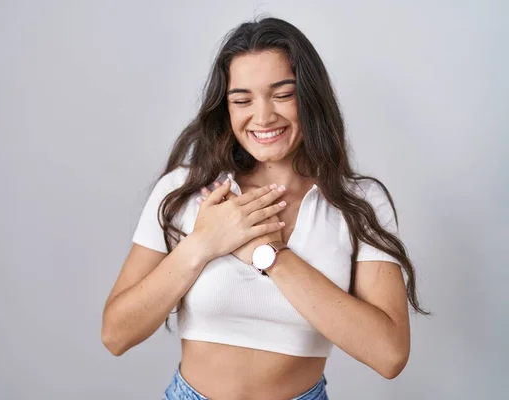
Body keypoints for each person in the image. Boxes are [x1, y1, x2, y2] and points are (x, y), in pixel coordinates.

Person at [101, 16, 428, 400]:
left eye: (282, 94)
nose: (263, 116)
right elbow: (116, 335)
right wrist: (203, 243)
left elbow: (389, 355)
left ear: (310, 97)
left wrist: (269, 254)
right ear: (226, 108)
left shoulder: (359, 203)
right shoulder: (184, 190)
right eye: (242, 100)